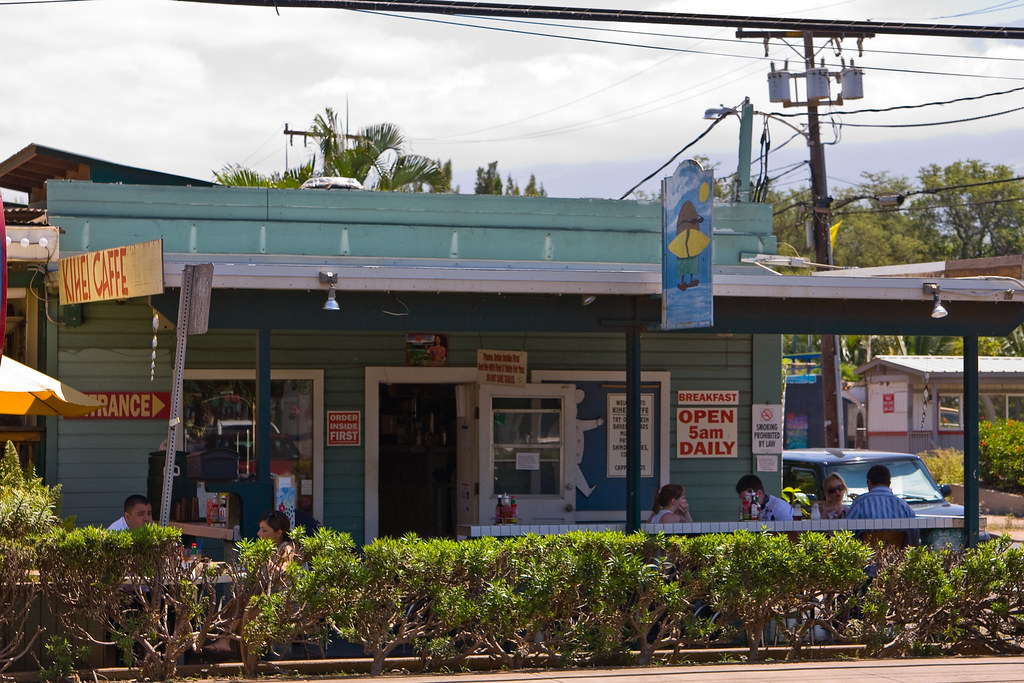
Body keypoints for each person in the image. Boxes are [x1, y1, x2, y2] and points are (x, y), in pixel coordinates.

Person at [204, 510, 298, 655]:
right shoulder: (269, 549)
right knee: (237, 601)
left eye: (264, 530)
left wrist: (265, 559)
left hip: (283, 602)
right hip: (267, 598)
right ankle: (225, 641)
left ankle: (239, 650)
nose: (259, 534)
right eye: (260, 529)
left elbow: (282, 575)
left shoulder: (286, 549)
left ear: (278, 533)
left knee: (246, 613)